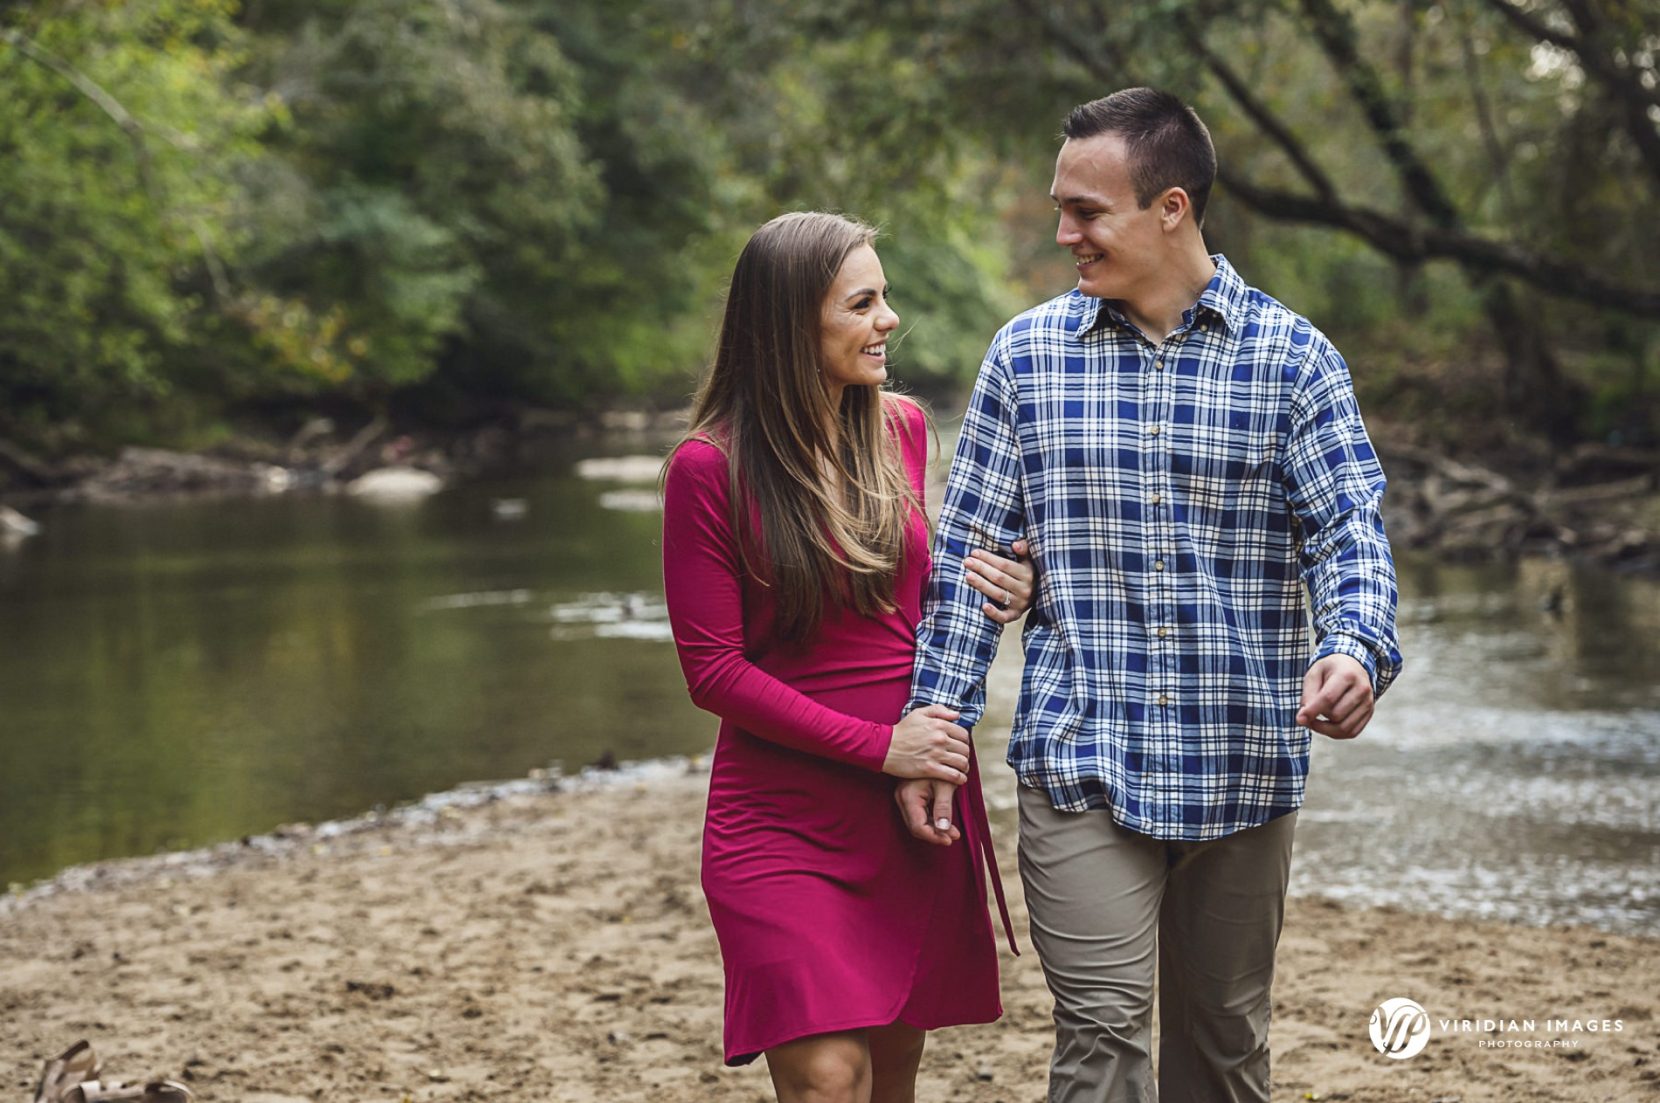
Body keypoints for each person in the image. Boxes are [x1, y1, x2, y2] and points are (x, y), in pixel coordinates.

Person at [896, 88, 1405, 1102]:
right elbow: (968, 566)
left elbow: (1349, 534)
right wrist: (937, 723)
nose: (1064, 233)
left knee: (1224, 1049)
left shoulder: (1294, 360)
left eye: (1086, 211)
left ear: (1172, 208)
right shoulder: (1025, 358)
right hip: (1080, 758)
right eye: (1060, 207)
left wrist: (1354, 645)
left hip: (1244, 764)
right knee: (1100, 1038)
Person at [661, 211, 1028, 1103]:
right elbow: (714, 672)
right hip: (781, 817)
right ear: (792, 325)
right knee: (829, 1076)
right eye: (862, 304)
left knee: (892, 1071)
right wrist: (881, 746)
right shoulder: (707, 468)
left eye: (883, 298)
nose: (888, 319)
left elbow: (913, 603)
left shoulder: (899, 428)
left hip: (907, 804)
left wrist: (1006, 583)